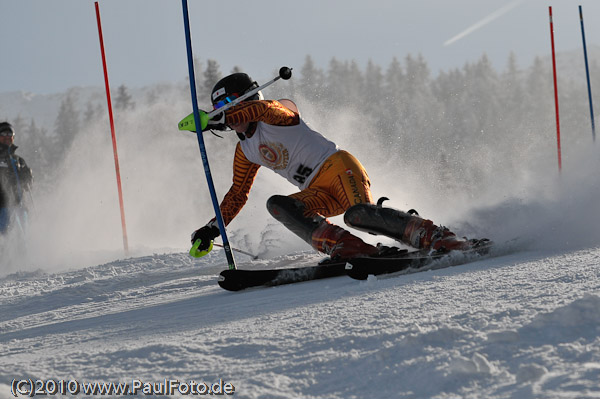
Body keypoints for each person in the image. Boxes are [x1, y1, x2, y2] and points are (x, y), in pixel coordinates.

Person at [191, 73, 482, 260]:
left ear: (248, 98)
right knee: (279, 205)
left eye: (230, 104)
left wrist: (219, 118)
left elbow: (262, 109)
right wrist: (210, 230)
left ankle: (435, 236)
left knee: (359, 214)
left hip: (339, 168)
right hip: (317, 191)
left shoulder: (275, 114)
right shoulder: (245, 150)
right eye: (221, 109)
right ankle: (350, 248)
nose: (228, 113)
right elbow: (237, 195)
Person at [0, 122, 33, 235]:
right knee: (5, 238)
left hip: (19, 207)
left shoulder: (19, 161)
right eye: (4, 134)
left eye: (10, 134)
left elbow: (28, 185)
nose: (7, 137)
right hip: (2, 207)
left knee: (23, 239)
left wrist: (28, 178)